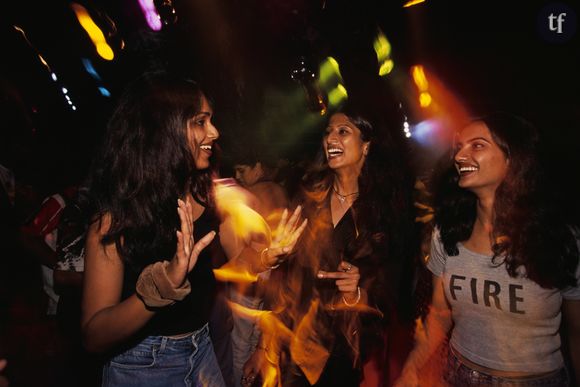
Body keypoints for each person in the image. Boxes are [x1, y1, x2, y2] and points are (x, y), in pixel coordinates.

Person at [82, 73, 306, 386]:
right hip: (142, 366)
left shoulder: (207, 196)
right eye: (200, 121)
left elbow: (235, 266)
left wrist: (267, 257)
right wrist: (153, 295)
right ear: (164, 129)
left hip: (202, 352)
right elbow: (94, 335)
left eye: (210, 120)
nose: (214, 132)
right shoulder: (115, 218)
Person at [395, 112, 580, 386]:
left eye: (477, 145)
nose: (459, 156)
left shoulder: (560, 240)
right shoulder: (447, 233)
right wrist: (412, 365)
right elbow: (440, 313)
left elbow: (577, 332)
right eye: (459, 147)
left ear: (512, 158)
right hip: (458, 376)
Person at [242, 100, 418, 386]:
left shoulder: (384, 213)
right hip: (293, 343)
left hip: (343, 350)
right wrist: (264, 347)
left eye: (343, 132)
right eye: (328, 132)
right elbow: (286, 281)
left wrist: (359, 292)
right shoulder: (309, 198)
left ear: (366, 145)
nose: (331, 139)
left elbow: (393, 292)